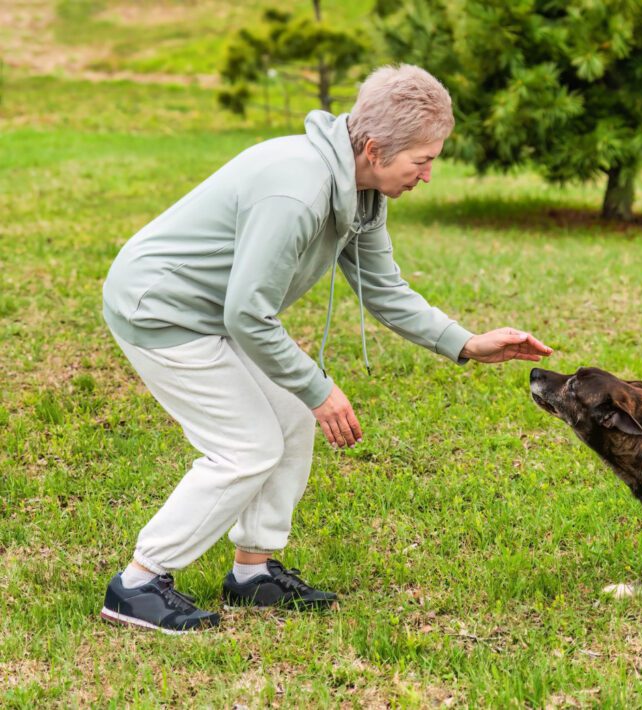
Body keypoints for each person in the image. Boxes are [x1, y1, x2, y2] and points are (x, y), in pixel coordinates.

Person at [99, 64, 552, 634]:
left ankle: (252, 573)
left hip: (213, 313)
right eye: (423, 160)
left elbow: (384, 288)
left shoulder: (360, 190)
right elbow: (246, 311)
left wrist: (467, 343)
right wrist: (321, 388)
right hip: (161, 310)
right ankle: (137, 583)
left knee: (289, 416)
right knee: (246, 447)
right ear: (374, 147)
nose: (428, 175)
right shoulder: (297, 190)